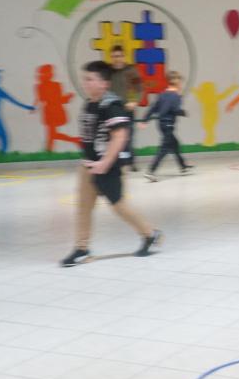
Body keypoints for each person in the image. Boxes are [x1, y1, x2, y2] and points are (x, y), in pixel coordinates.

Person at [60, 60, 161, 267]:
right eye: (85, 79)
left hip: (109, 167)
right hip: (89, 165)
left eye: (90, 79)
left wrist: (105, 162)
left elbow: (120, 136)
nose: (85, 83)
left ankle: (150, 234)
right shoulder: (89, 103)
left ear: (104, 83)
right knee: (83, 207)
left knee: (119, 206)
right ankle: (81, 248)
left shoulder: (112, 105)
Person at [141, 70, 192, 181]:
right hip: (168, 124)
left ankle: (183, 167)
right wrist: (183, 112)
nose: (181, 85)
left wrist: (145, 120)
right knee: (164, 149)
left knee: (175, 144)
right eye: (180, 82)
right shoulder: (176, 96)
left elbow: (153, 108)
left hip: (161, 124)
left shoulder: (162, 95)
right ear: (177, 83)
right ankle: (150, 171)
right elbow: (175, 110)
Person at [109, 45, 143, 171]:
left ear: (124, 57)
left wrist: (134, 101)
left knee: (128, 138)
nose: (117, 59)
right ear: (111, 58)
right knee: (114, 137)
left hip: (127, 109)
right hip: (112, 110)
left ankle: (130, 162)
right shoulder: (107, 72)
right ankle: (116, 163)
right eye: (114, 57)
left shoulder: (131, 70)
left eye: (119, 56)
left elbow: (139, 88)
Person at [35, 64, 80, 152]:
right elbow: (43, 99)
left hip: (57, 111)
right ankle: (75, 140)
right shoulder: (40, 86)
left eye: (49, 73)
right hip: (49, 111)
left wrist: (68, 97)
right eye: (43, 73)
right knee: (52, 134)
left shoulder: (57, 85)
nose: (46, 75)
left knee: (51, 134)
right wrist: (62, 98)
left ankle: (49, 151)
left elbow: (61, 100)